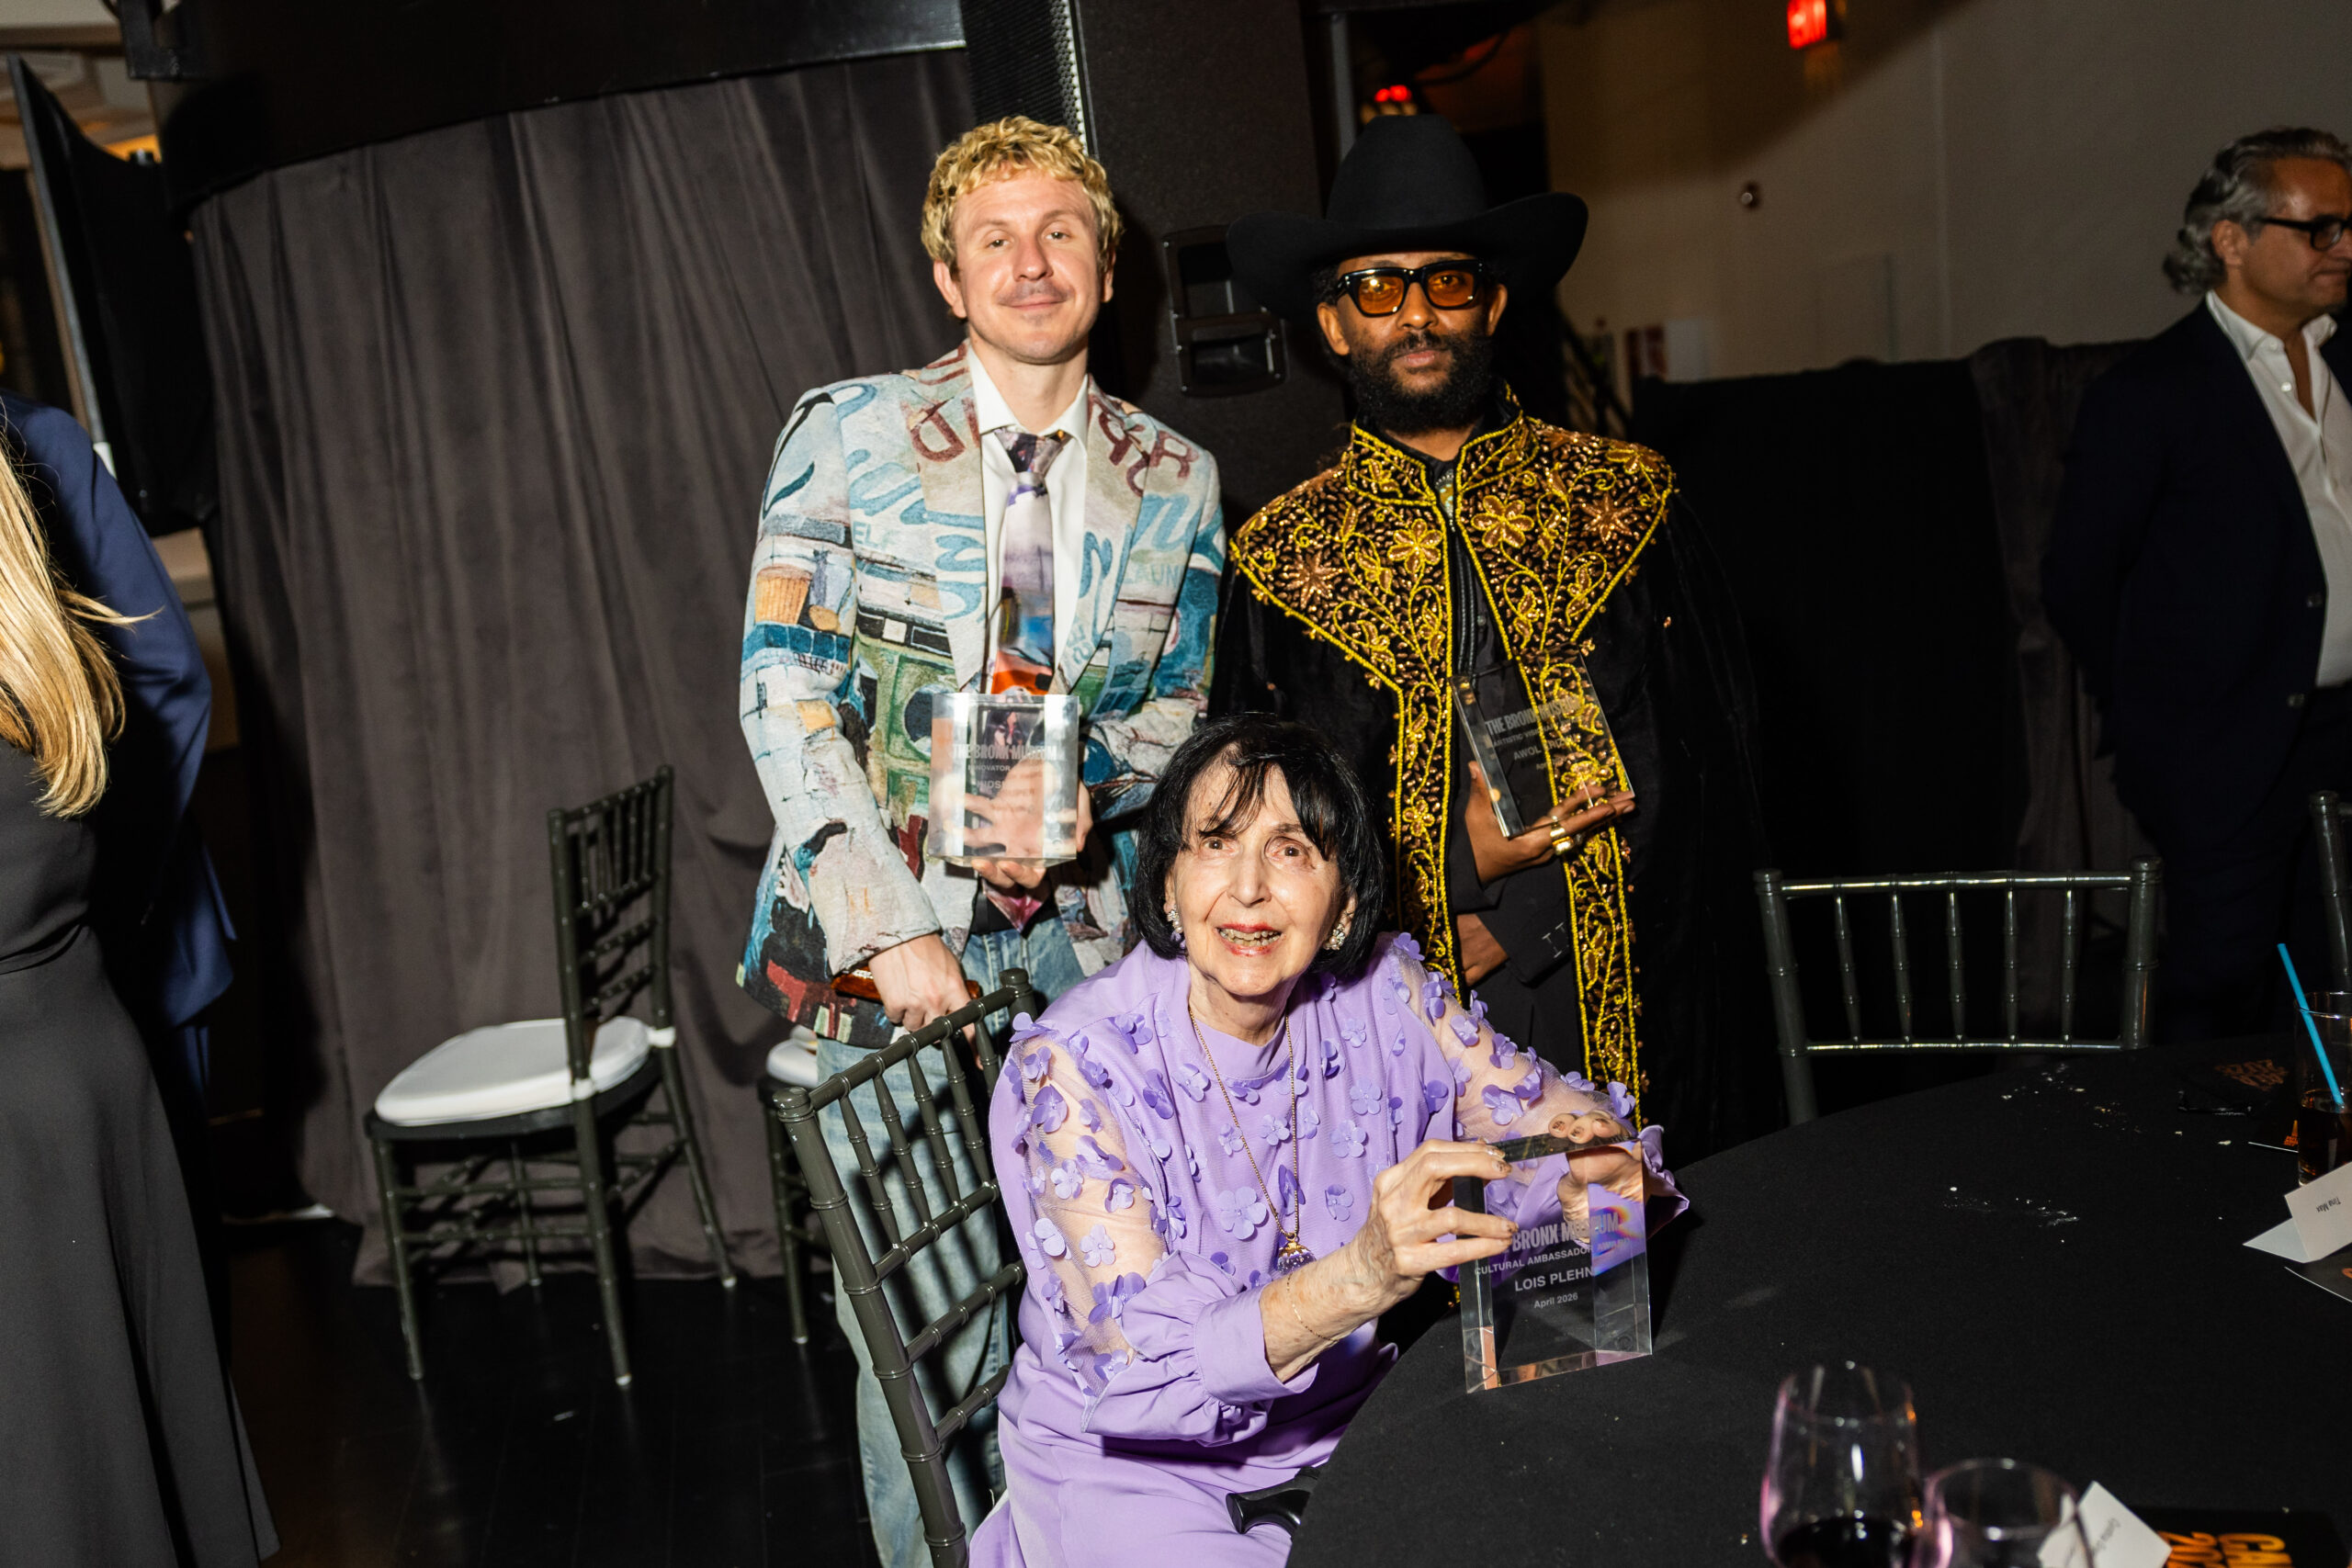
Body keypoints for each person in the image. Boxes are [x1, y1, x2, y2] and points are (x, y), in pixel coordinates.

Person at [737, 117, 1222, 1565]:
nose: (1031, 261)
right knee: (935, 1343)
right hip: (878, 966)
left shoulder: (1177, 476)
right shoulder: (848, 433)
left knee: (1101, 1307)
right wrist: (892, 924)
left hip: (1083, 964)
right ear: (949, 278)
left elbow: (1177, 714)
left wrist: (1095, 793)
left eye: (1061, 232)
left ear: (1107, 269)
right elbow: (781, 686)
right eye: (993, 239)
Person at [972, 713, 1682, 1564]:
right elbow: (1142, 1368)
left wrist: (1589, 1185)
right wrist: (1364, 1272)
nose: (1248, 888)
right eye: (1216, 843)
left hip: (1353, 1429)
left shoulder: (1387, 993)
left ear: (1343, 905)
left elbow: (1566, 1140)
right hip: (1136, 1471)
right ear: (1166, 885)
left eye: (1291, 850)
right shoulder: (1074, 1065)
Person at [1215, 114, 1769, 1153]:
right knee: (1456, 1252)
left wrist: (1529, 917)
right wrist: (1437, 892)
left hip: (1637, 1018)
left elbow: (1720, 789)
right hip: (1408, 1045)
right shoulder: (1279, 566)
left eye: (1448, 281)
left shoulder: (1630, 504)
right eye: (1377, 288)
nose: (1416, 313)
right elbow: (1249, 841)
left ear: (1494, 301)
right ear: (1333, 323)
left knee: (1643, 1243)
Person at [0, 424, 275, 1562]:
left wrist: (101, 917)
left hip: (106, 985)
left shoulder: (40, 438)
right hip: (82, 1022)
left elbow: (168, 683)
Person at [2044, 128, 2352, 1039]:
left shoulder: (2343, 357)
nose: (2343, 247)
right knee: (2221, 989)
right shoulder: (2151, 391)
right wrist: (2162, 723)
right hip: (2225, 748)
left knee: (2333, 982)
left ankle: (2323, 1130)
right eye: (2320, 228)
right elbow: (2077, 581)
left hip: (2343, 730)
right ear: (2231, 240)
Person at [4, 393, 235, 1330]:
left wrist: (82, 914)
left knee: (172, 1314)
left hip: (125, 953)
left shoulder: (35, 441)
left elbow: (166, 685)